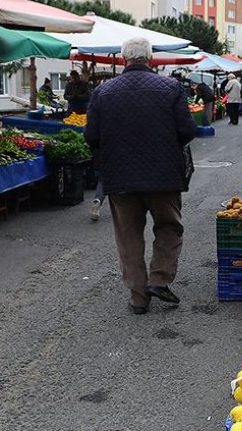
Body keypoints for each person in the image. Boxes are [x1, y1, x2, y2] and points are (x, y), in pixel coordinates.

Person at [84, 38, 197, 315]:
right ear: (150, 59)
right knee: (169, 227)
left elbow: (91, 136)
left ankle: (138, 298)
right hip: (163, 176)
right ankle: (159, 279)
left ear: (124, 59)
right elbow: (187, 130)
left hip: (120, 177)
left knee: (128, 236)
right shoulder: (171, 88)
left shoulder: (103, 92)